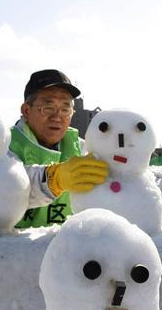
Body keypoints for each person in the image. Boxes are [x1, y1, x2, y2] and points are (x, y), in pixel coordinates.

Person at [10, 69, 108, 228]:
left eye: (65, 109)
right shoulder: (2, 145)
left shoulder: (83, 148)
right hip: (8, 247)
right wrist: (54, 179)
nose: (57, 117)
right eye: (48, 107)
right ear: (27, 110)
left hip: (65, 247)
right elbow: (3, 185)